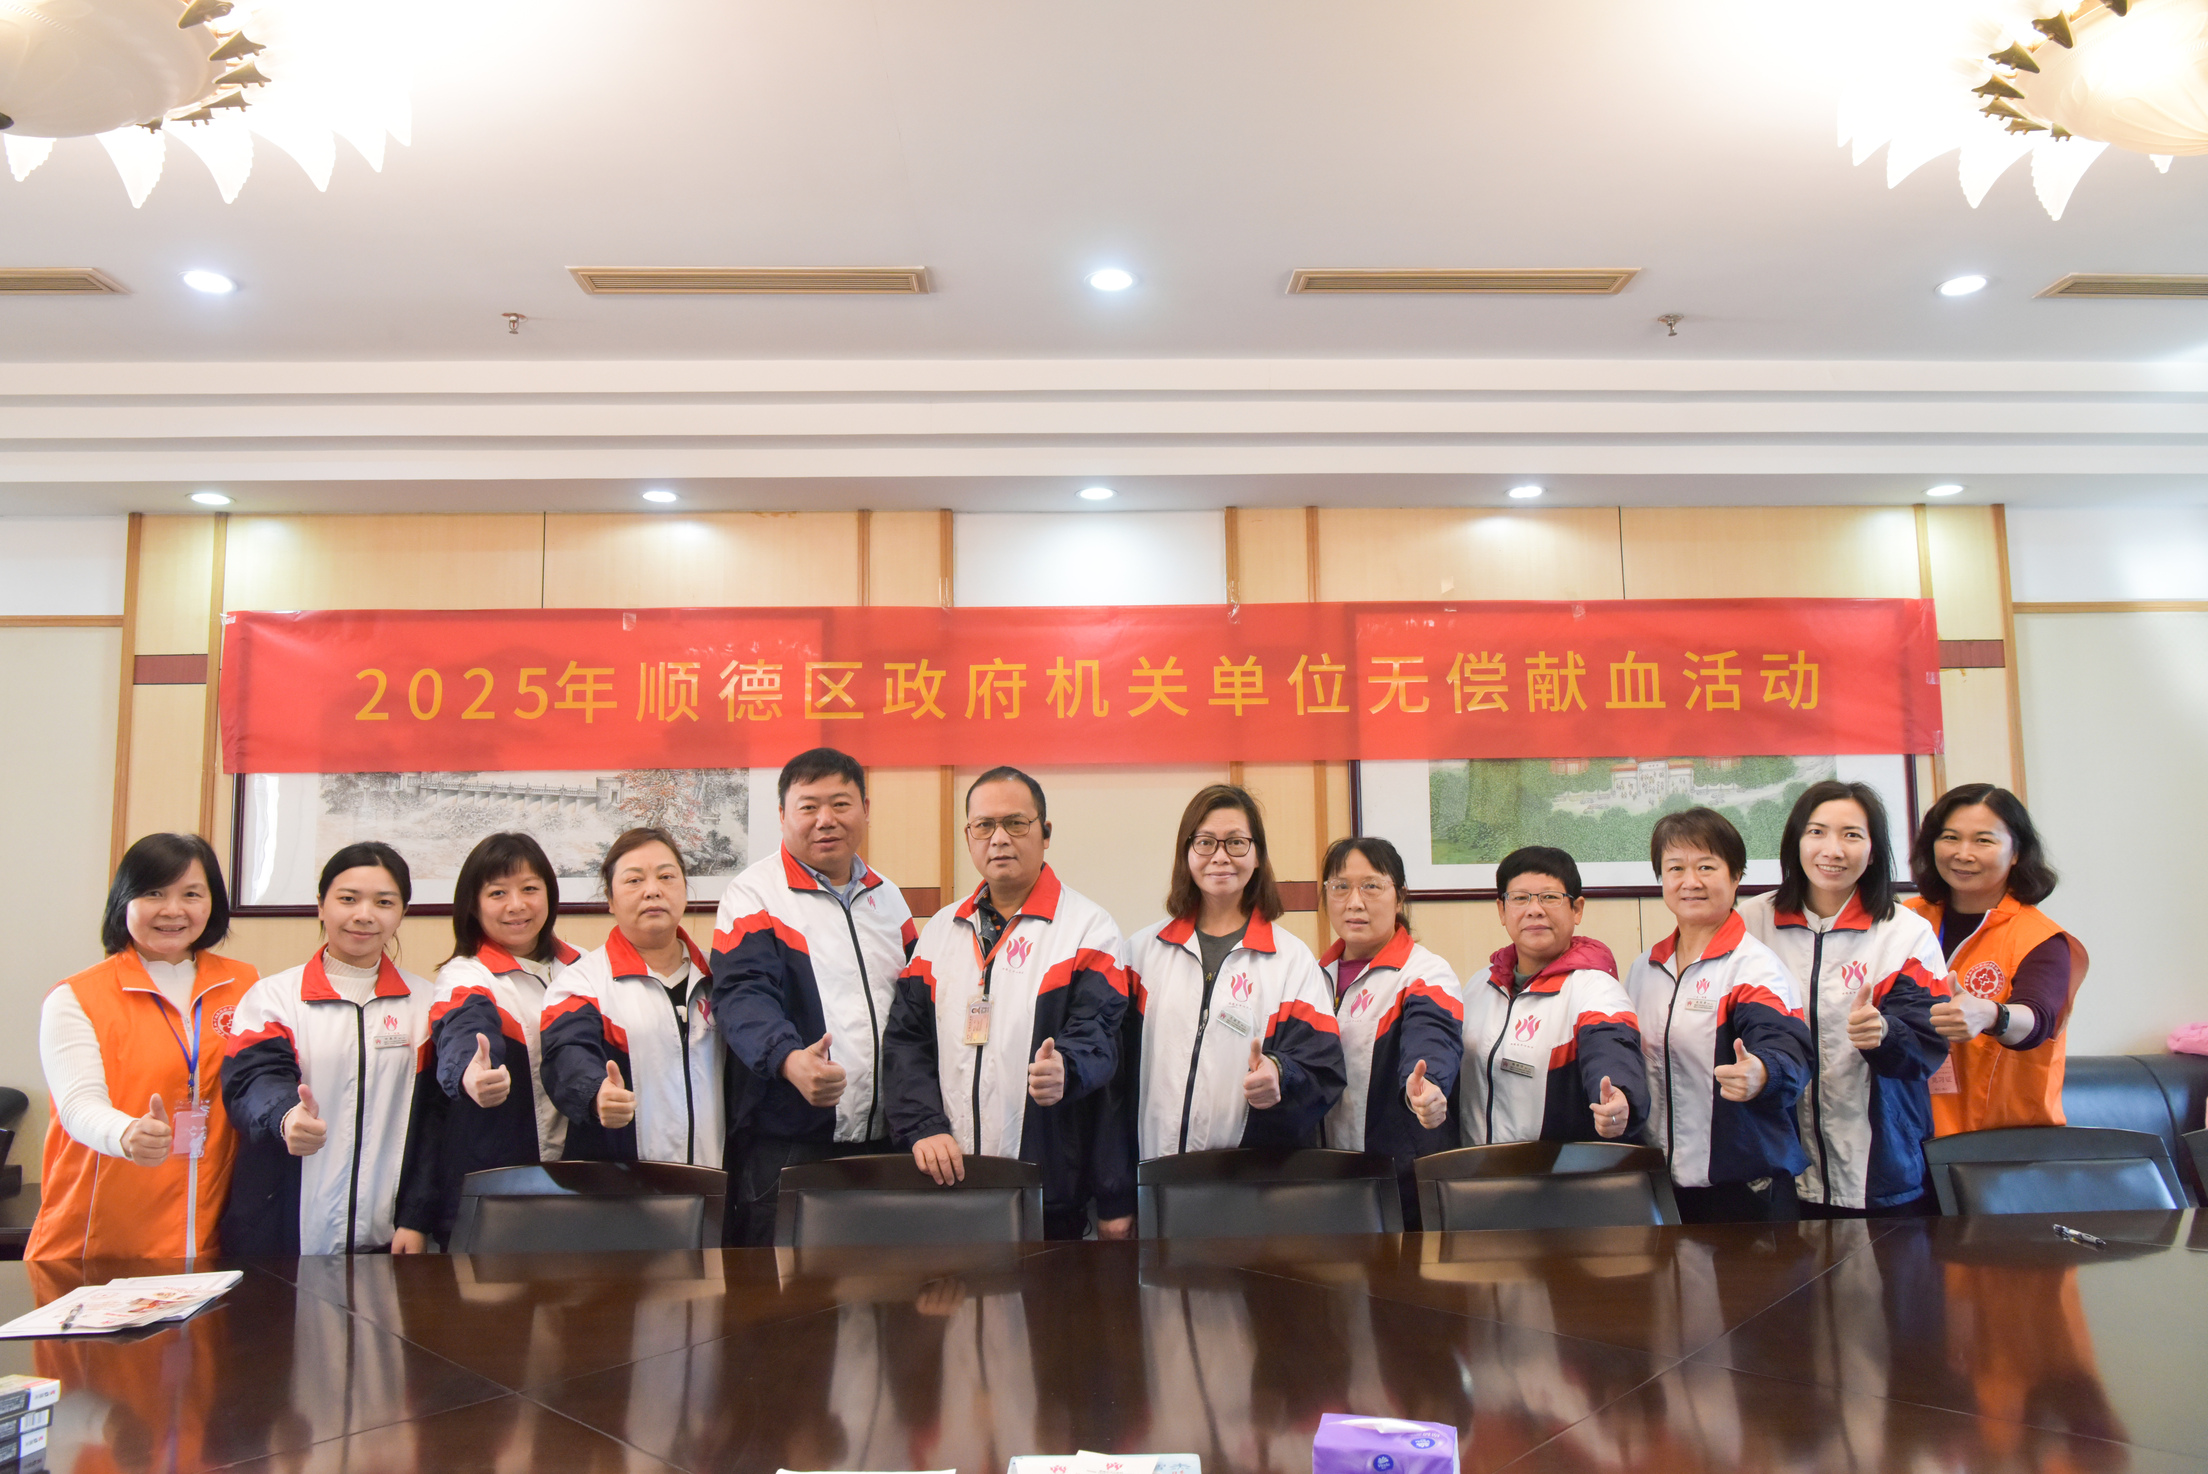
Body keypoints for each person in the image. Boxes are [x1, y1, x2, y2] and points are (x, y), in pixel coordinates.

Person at [885, 766, 1129, 1239]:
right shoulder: (939, 931)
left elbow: (1099, 1032)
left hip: (1046, 1186)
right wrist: (923, 1126)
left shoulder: (1087, 929)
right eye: (984, 826)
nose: (999, 839)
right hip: (947, 1178)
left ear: (1045, 833)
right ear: (968, 836)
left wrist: (1067, 1069)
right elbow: (906, 1042)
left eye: (1016, 823)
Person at [712, 748, 916, 1245]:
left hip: (886, 1141)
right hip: (789, 1143)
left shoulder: (889, 898)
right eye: (808, 807)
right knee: (783, 1287)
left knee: (881, 1281)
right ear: (783, 815)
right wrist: (788, 1059)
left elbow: (916, 1012)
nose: (826, 820)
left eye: (840, 804)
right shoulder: (754, 895)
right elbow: (742, 996)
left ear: (865, 809)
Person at [30, 833, 259, 1260]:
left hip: (209, 1243)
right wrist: (125, 1132)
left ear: (212, 903)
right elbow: (77, 1105)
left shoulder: (246, 986)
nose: (172, 910)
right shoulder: (76, 997)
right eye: (154, 893)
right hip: (97, 1243)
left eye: (191, 894)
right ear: (124, 900)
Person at [1740, 782, 1951, 1216]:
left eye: (1851, 835)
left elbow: (1927, 1048)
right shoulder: (1750, 923)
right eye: (1817, 832)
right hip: (1778, 1167)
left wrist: (1886, 1034)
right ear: (1796, 842)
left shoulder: (1905, 933)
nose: (1832, 850)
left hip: (1881, 1165)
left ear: (1873, 852)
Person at [219, 841, 437, 1255]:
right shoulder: (274, 998)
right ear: (321, 905)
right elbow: (252, 1080)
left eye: (384, 902)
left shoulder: (426, 1004)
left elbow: (433, 1127)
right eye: (348, 899)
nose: (364, 915)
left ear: (402, 913)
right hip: (283, 1233)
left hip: (387, 1240)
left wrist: (416, 1217)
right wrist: (286, 1116)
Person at [1124, 785, 1345, 1163]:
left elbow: (1323, 1068)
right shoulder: (1141, 953)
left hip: (1245, 1180)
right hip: (1150, 1174)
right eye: (1205, 842)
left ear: (1258, 856)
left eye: (1237, 843)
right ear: (1186, 853)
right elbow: (1112, 1077)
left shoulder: (1291, 961)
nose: (1220, 856)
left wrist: (1280, 1073)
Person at [1624, 808, 1814, 1223]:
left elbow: (1787, 1048)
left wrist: (1762, 1072)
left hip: (1743, 1190)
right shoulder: (1645, 968)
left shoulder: (1754, 967)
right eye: (1676, 868)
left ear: (1736, 876)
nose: (1690, 881)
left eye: (1706, 867)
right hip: (1661, 1186)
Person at [398, 831, 578, 1246]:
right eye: (498, 893)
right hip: (498, 1194)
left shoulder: (583, 967)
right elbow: (464, 1028)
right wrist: (471, 1073)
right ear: (473, 905)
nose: (517, 905)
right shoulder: (465, 975)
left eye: (529, 889)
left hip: (581, 1186)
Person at [1905, 783, 2089, 1135]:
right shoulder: (1905, 920)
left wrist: (1992, 1014)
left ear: (2016, 851)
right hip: (1906, 1133)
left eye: (1983, 841)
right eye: (1950, 837)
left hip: (1998, 1144)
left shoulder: (2040, 938)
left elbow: (2038, 1018)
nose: (1963, 854)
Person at [543, 827, 722, 1168]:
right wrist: (596, 1092)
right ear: (610, 899)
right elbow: (566, 1054)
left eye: (666, 877)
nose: (652, 890)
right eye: (634, 880)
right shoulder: (582, 982)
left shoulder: (721, 974)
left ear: (685, 888)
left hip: (716, 1181)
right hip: (623, 1186)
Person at [1316, 835, 1461, 1226]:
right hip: (1326, 1178)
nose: (1354, 902)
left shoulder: (1425, 973)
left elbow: (1432, 1036)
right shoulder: (1312, 976)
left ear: (1399, 898)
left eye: (1371, 886)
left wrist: (1428, 1085)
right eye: (1340, 887)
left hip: (1402, 1184)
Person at [1462, 845, 1646, 1148]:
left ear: (1577, 909)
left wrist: (1618, 1095)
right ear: (1501, 910)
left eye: (1550, 897)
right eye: (1519, 898)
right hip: (1476, 1170)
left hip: (1559, 1172)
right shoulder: (1479, 986)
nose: (1534, 909)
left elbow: (1611, 1047)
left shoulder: (1596, 988)